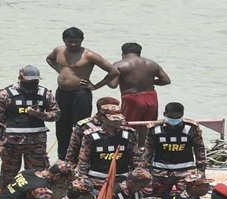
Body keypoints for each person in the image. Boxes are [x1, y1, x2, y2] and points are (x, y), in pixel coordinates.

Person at [46, 27, 120, 161]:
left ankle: (82, 156)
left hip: (80, 94)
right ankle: (62, 157)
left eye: (76, 41)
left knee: (81, 125)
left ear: (82, 40)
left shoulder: (89, 55)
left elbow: (113, 72)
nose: (73, 44)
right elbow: (49, 59)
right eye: (70, 42)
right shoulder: (59, 50)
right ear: (64, 40)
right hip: (62, 93)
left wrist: (95, 86)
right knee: (61, 124)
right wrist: (61, 71)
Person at [0, 65, 60, 189]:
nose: (32, 84)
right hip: (11, 143)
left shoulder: (45, 94)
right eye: (29, 81)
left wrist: (40, 115)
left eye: (35, 81)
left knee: (38, 174)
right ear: (20, 78)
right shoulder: (5, 95)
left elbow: (56, 115)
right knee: (8, 175)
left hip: (36, 143)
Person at [142, 102, 207, 199]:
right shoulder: (155, 129)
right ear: (164, 114)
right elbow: (148, 150)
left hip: (185, 171)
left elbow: (199, 149)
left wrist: (201, 170)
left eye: (178, 117)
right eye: (171, 117)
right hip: (160, 171)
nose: (174, 120)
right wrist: (146, 170)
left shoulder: (191, 128)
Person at [77, 104, 138, 190]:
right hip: (97, 180)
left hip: (122, 180)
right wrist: (83, 178)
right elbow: (84, 160)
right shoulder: (91, 136)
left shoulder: (129, 134)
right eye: (113, 120)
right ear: (103, 119)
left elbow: (134, 158)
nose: (117, 122)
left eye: (119, 119)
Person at [108, 42, 171, 122]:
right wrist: (149, 81)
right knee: (148, 126)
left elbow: (113, 85)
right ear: (139, 53)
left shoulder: (119, 65)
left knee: (129, 126)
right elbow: (166, 80)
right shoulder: (152, 64)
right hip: (151, 98)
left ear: (123, 53)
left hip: (132, 98)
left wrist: (107, 79)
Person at [65, 97, 121, 170]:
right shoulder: (85, 126)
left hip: (117, 165)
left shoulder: (120, 124)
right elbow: (73, 149)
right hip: (91, 166)